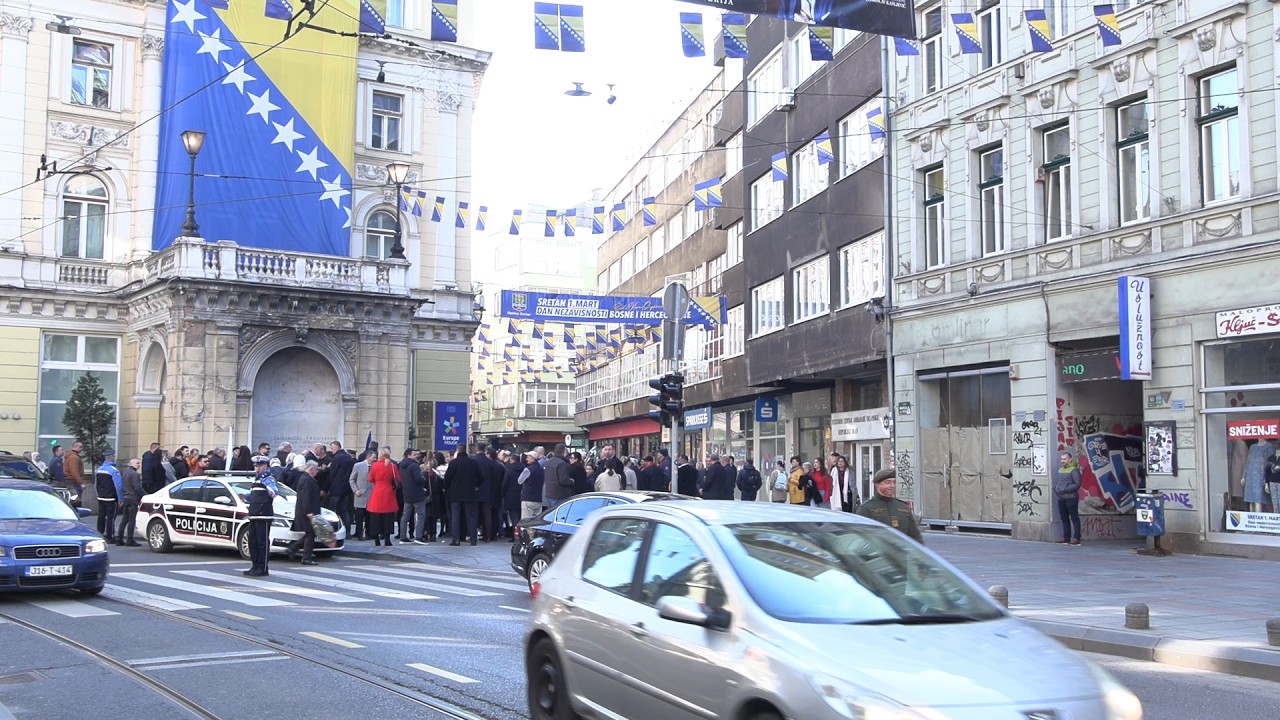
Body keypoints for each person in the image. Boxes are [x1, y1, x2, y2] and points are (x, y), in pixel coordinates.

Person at [856, 468, 923, 542]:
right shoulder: (866, 509)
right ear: (877, 484)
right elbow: (859, 537)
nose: (892, 486)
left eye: (894, 482)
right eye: (888, 482)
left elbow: (915, 536)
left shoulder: (903, 507)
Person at [244, 456, 278, 576]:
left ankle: (262, 568)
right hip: (254, 515)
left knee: (262, 543)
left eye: (259, 466)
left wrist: (271, 490)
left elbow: (273, 490)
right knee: (252, 542)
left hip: (263, 515)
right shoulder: (256, 480)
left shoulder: (268, 478)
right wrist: (245, 496)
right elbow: (253, 496)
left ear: (266, 466)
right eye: (256, 466)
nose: (257, 468)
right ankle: (255, 565)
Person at [444, 447, 483, 546]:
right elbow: (481, 476)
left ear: (458, 452)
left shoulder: (453, 463)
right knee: (470, 516)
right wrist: (476, 486)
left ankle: (456, 539)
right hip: (469, 493)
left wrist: (447, 488)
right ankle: (473, 539)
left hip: (455, 493)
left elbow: (447, 478)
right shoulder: (473, 463)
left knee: (456, 516)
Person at [287, 461, 322, 564]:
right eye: (316, 470)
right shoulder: (306, 480)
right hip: (306, 512)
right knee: (310, 534)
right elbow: (306, 497)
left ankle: (293, 548)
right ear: (311, 469)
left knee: (310, 533)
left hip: (307, 511)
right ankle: (306, 557)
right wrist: (309, 512)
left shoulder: (307, 478)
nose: (316, 472)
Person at [366, 449, 400, 546]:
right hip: (388, 492)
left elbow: (370, 479)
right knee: (388, 518)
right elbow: (398, 479)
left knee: (375, 517)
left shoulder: (374, 465)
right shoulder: (393, 466)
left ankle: (376, 539)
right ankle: (387, 539)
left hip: (377, 492)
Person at [399, 448, 428, 543]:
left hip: (406, 493)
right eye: (414, 454)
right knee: (421, 515)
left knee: (405, 516)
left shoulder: (401, 465)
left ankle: (402, 536)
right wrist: (423, 478)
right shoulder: (414, 466)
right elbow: (418, 479)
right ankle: (418, 536)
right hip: (417, 494)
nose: (416, 456)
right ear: (409, 455)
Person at [1054, 451, 1083, 546]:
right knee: (1064, 518)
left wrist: (1065, 489)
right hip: (1061, 498)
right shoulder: (1060, 470)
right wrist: (1056, 489)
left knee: (1074, 518)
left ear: (1070, 459)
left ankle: (1076, 538)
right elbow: (1059, 482)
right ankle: (1066, 537)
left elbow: (1077, 484)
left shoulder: (1074, 470)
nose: (1062, 461)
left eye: (1065, 459)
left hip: (1071, 498)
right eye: (1061, 459)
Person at [327, 441, 355, 536]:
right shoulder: (349, 457)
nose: (332, 450)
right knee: (344, 510)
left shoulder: (336, 458)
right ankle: (348, 532)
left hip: (336, 488)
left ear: (337, 447)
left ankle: (332, 532)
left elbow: (332, 473)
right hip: (346, 488)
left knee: (331, 510)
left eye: (332, 448)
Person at [94, 448, 122, 541]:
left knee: (101, 516)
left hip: (101, 497)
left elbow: (96, 484)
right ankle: (110, 536)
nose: (115, 457)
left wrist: (98, 495)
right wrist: (121, 499)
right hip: (111, 498)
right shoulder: (114, 470)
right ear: (111, 457)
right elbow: (118, 486)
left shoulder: (98, 470)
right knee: (111, 517)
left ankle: (99, 533)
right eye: (114, 456)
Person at [118, 457, 144, 546]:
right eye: (137, 463)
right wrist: (144, 495)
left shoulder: (125, 473)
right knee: (132, 520)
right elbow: (137, 487)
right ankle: (129, 539)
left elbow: (122, 486)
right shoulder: (135, 474)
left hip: (126, 498)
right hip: (133, 499)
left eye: (139, 463)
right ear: (131, 464)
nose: (138, 465)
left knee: (124, 519)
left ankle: (119, 539)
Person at [500, 452, 524, 541]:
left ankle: (515, 536)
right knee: (521, 516)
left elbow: (504, 484)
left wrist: (502, 494)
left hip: (510, 496)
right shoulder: (524, 469)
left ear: (512, 460)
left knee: (514, 517)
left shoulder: (509, 470)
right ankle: (521, 535)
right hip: (522, 495)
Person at [542, 444, 573, 510]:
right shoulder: (562, 463)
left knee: (552, 513)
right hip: (560, 494)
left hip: (549, 492)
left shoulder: (548, 462)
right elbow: (563, 480)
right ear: (564, 451)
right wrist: (571, 481)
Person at [349, 450, 371, 541]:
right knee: (359, 515)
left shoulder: (375, 466)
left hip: (372, 495)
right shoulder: (358, 466)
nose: (375, 459)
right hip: (360, 494)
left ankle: (369, 533)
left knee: (369, 516)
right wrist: (355, 490)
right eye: (374, 457)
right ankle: (359, 533)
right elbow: (352, 479)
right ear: (368, 456)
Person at [517, 451, 545, 520]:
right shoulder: (542, 470)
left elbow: (519, 481)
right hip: (538, 499)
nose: (526, 459)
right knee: (537, 521)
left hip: (528, 498)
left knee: (526, 521)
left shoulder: (528, 469)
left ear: (533, 458)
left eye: (528, 457)